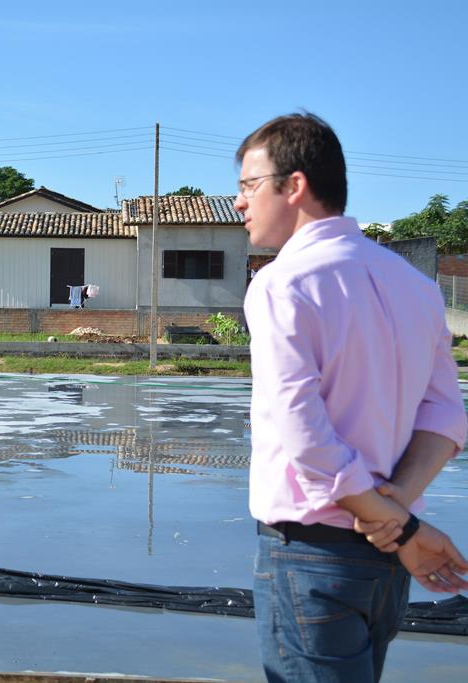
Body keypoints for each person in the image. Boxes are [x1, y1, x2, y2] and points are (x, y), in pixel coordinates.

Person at [236, 113, 468, 683]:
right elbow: (445, 415)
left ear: (294, 186)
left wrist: (394, 521)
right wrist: (397, 511)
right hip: (386, 558)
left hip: (312, 556)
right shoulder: (413, 285)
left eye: (247, 185)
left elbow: (305, 437)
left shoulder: (282, 282)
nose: (238, 203)